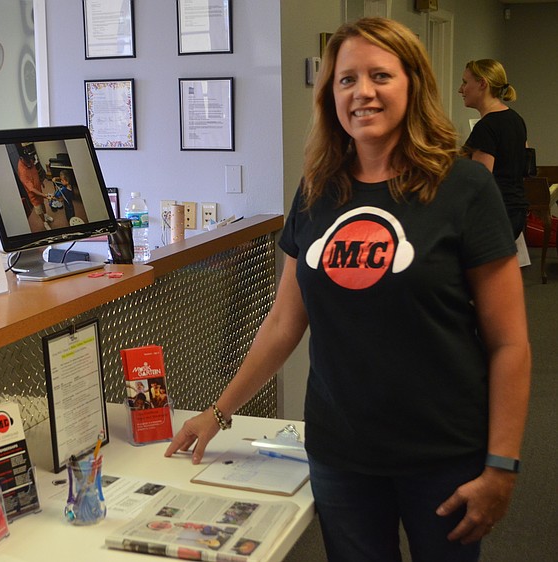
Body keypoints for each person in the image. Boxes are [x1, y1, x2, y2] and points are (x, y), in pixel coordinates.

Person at [165, 18, 530, 562]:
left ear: (412, 84)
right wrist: (218, 412)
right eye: (345, 79)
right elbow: (284, 322)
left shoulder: (464, 189)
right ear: (329, 94)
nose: (362, 92)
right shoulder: (316, 191)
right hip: (342, 454)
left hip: (444, 453)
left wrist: (502, 465)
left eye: (380, 75)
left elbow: (510, 343)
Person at [459, 59, 529, 239]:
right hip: (516, 212)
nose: (461, 89)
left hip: (495, 215)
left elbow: (480, 182)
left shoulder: (486, 127)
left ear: (482, 83)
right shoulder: (516, 119)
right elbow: (525, 165)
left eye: (465, 82)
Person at [16, 146, 54, 231]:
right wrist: (44, 195)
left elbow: (35, 172)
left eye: (30, 160)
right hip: (33, 194)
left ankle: (46, 215)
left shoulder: (29, 160)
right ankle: (44, 222)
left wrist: (40, 181)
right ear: (21, 158)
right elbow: (31, 189)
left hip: (38, 188)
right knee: (38, 208)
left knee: (42, 203)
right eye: (28, 162)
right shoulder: (22, 172)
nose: (30, 163)